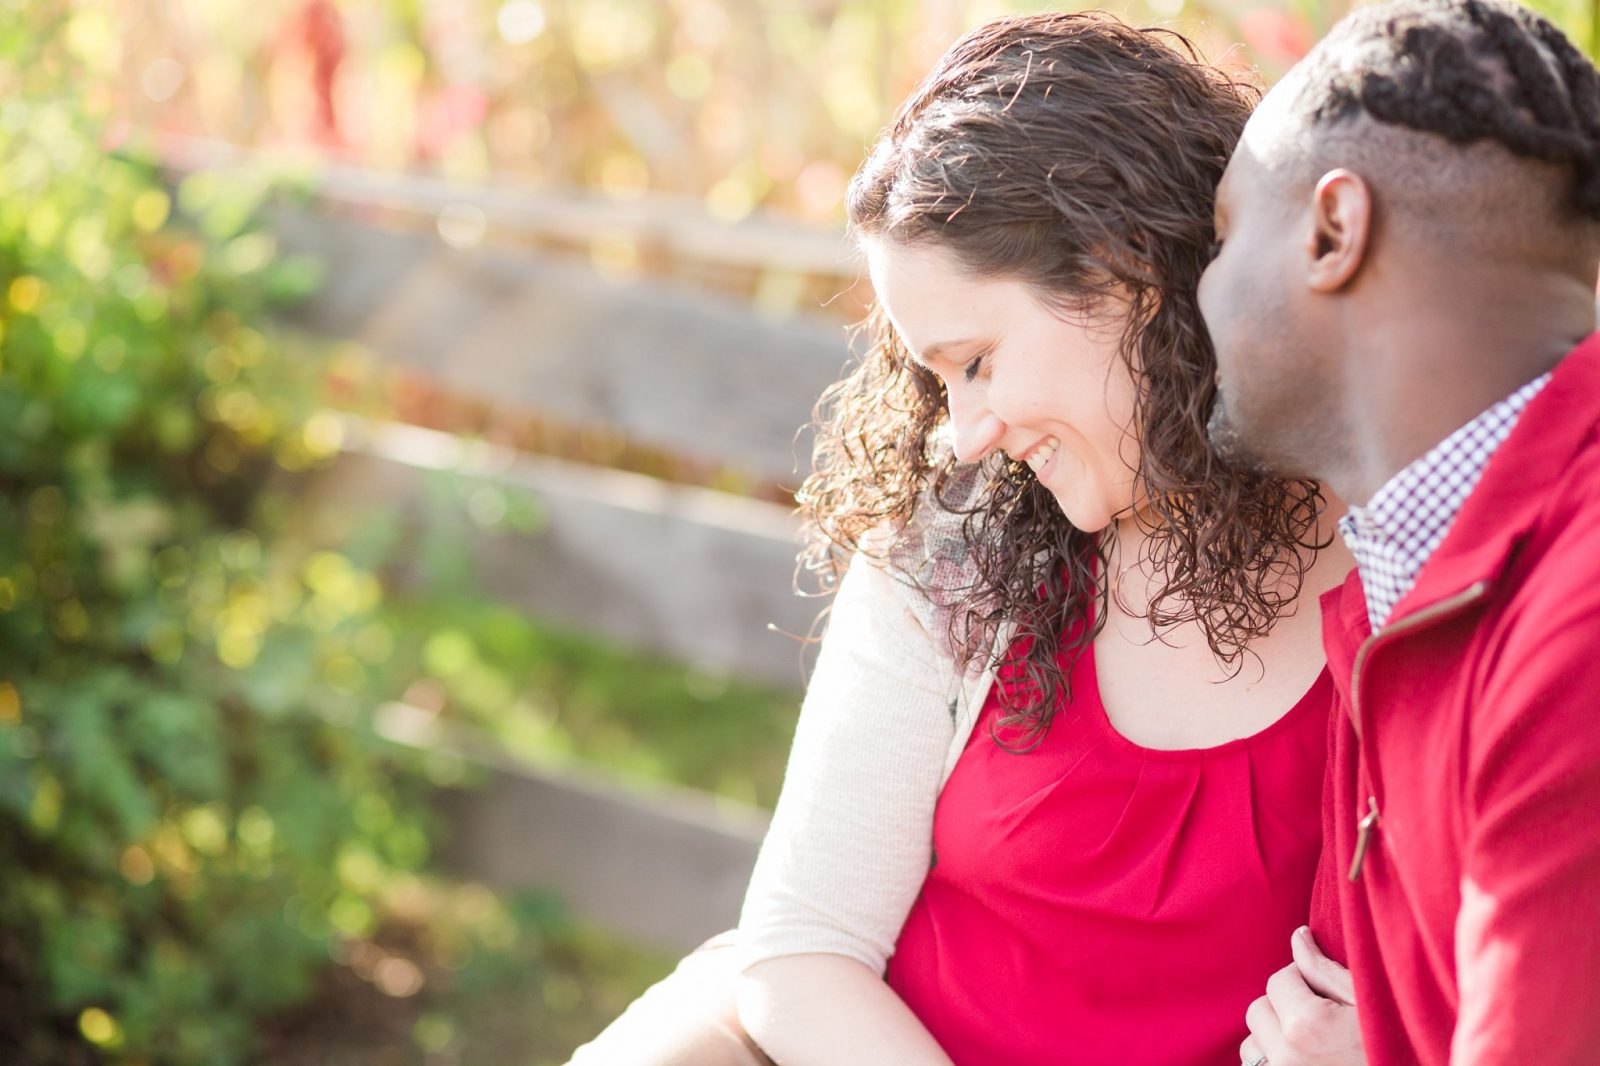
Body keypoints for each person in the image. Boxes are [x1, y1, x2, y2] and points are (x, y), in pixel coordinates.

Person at [570, 13, 1356, 1065]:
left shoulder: (1393, 568)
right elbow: (804, 948)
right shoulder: (961, 551)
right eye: (937, 378)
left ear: (1128, 277)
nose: (963, 429)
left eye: (977, 360)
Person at [1200, 0, 1600, 1062]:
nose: (1199, 292)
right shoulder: (1402, 576)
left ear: (1333, 232)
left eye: (1223, 235)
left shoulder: (1580, 618)